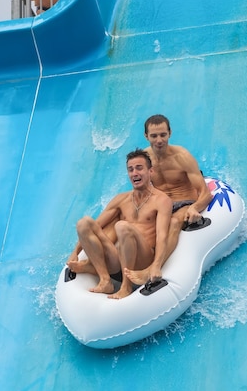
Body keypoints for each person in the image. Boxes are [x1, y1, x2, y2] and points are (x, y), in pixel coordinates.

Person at [67, 149, 172, 299]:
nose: (134, 173)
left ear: (151, 171)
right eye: (131, 169)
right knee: (84, 223)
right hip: (119, 259)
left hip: (143, 258)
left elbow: (162, 236)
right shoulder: (121, 199)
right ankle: (105, 280)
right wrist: (75, 252)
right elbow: (96, 226)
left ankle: (126, 287)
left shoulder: (161, 200)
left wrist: (155, 266)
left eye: (139, 168)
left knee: (122, 226)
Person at [124, 114, 212, 285]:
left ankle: (153, 267)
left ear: (170, 133)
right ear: (146, 136)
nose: (159, 140)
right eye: (154, 136)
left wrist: (195, 207)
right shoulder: (144, 160)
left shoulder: (182, 157)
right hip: (161, 204)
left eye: (163, 135)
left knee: (172, 222)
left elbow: (205, 193)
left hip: (184, 202)